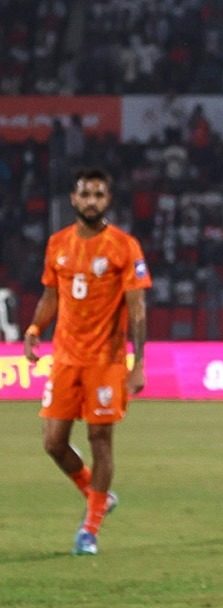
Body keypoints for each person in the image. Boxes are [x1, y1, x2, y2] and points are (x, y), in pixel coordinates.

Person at [27, 167, 152, 556]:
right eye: (86, 194)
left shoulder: (124, 246)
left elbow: (137, 309)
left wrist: (138, 363)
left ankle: (89, 529)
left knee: (100, 440)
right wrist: (34, 327)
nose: (92, 201)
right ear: (74, 199)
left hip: (105, 360)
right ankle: (98, 495)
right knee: (53, 442)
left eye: (99, 195)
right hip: (65, 357)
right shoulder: (57, 244)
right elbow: (51, 295)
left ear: (107, 200)